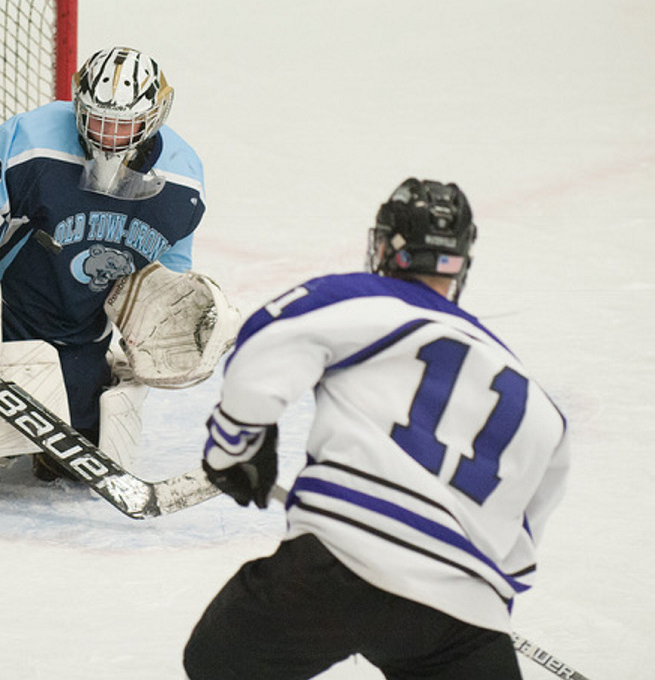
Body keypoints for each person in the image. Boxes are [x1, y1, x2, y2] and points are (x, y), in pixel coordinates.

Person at [183, 178, 571, 680]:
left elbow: (265, 345)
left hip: (342, 566)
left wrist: (234, 449)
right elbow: (523, 536)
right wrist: (477, 608)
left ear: (387, 245)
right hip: (461, 611)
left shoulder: (364, 299)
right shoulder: (536, 400)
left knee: (221, 662)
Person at [0, 46, 208, 480]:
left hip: (81, 328)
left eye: (124, 126)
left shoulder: (181, 180)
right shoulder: (35, 139)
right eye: (98, 120)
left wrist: (167, 327)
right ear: (78, 109)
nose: (107, 136)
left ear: (153, 119)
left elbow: (169, 275)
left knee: (81, 457)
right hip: (6, 315)